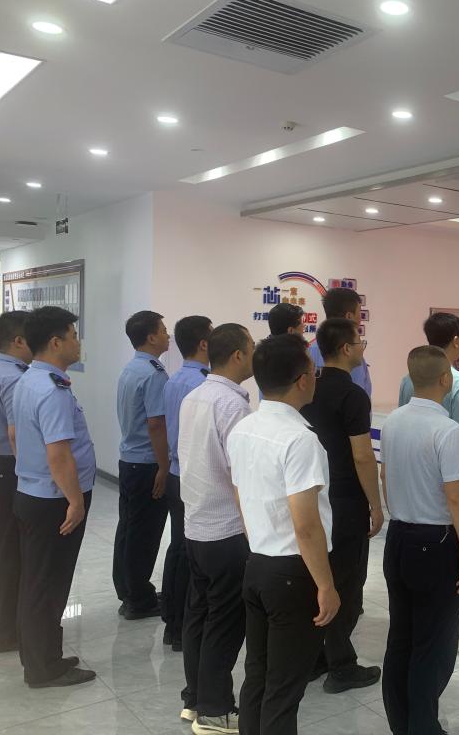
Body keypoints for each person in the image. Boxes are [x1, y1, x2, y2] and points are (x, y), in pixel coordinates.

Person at [228, 334, 339, 735]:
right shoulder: (300, 440)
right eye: (314, 373)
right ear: (302, 380)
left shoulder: (243, 429)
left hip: (257, 564)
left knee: (258, 675)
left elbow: (240, 496)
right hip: (293, 573)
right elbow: (305, 525)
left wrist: (258, 540)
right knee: (284, 688)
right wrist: (325, 585)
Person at [380, 345, 459, 735]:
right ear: (445, 379)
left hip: (399, 537)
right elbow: (458, 497)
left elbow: (386, 476)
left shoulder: (393, 422)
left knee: (401, 637)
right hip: (436, 544)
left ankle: (402, 724)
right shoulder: (447, 431)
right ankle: (423, 727)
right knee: (432, 644)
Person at [12, 307, 96, 688]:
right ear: (56, 342)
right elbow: (59, 454)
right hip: (53, 501)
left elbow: (17, 436)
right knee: (48, 584)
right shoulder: (52, 389)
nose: (78, 342)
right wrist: (75, 501)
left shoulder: (29, 379)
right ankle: (43, 668)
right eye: (73, 335)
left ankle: (39, 657)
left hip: (33, 493)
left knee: (36, 581)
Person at [178, 324, 254, 735]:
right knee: (225, 622)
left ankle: (195, 699)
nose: (254, 354)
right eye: (251, 347)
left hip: (196, 524)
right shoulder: (231, 405)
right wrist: (253, 532)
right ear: (238, 355)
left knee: (200, 615)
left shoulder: (195, 396)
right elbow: (240, 475)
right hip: (225, 529)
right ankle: (215, 711)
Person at [301, 318, 383, 693]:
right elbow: (362, 456)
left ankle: (315, 657)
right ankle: (341, 665)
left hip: (313, 494)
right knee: (348, 584)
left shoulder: (308, 388)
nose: (363, 348)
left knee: (322, 577)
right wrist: (376, 504)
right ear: (347, 349)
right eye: (360, 342)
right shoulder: (353, 396)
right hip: (347, 500)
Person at [397, 312, 459, 656]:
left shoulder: (410, 378)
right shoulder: (458, 381)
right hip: (446, 480)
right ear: (458, 340)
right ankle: (444, 635)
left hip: (411, 481)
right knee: (447, 574)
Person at [114, 310, 171, 619]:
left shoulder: (132, 367)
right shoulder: (153, 374)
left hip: (129, 460)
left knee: (128, 529)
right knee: (144, 535)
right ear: (151, 337)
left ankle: (127, 591)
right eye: (162, 330)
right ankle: (139, 599)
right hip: (148, 463)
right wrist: (163, 466)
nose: (167, 335)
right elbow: (156, 424)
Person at [161, 315, 213, 651]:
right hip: (193, 477)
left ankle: (172, 619)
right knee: (190, 552)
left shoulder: (174, 379)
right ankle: (182, 624)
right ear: (204, 344)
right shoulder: (201, 386)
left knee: (179, 547)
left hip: (176, 473)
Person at [0, 310, 31, 653]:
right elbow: (16, 434)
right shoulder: (14, 377)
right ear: (19, 341)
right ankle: (7, 630)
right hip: (9, 468)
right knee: (11, 550)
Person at [307, 288, 370, 397]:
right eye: (359, 312)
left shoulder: (309, 352)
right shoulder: (352, 354)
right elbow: (360, 395)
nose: (361, 318)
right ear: (349, 316)